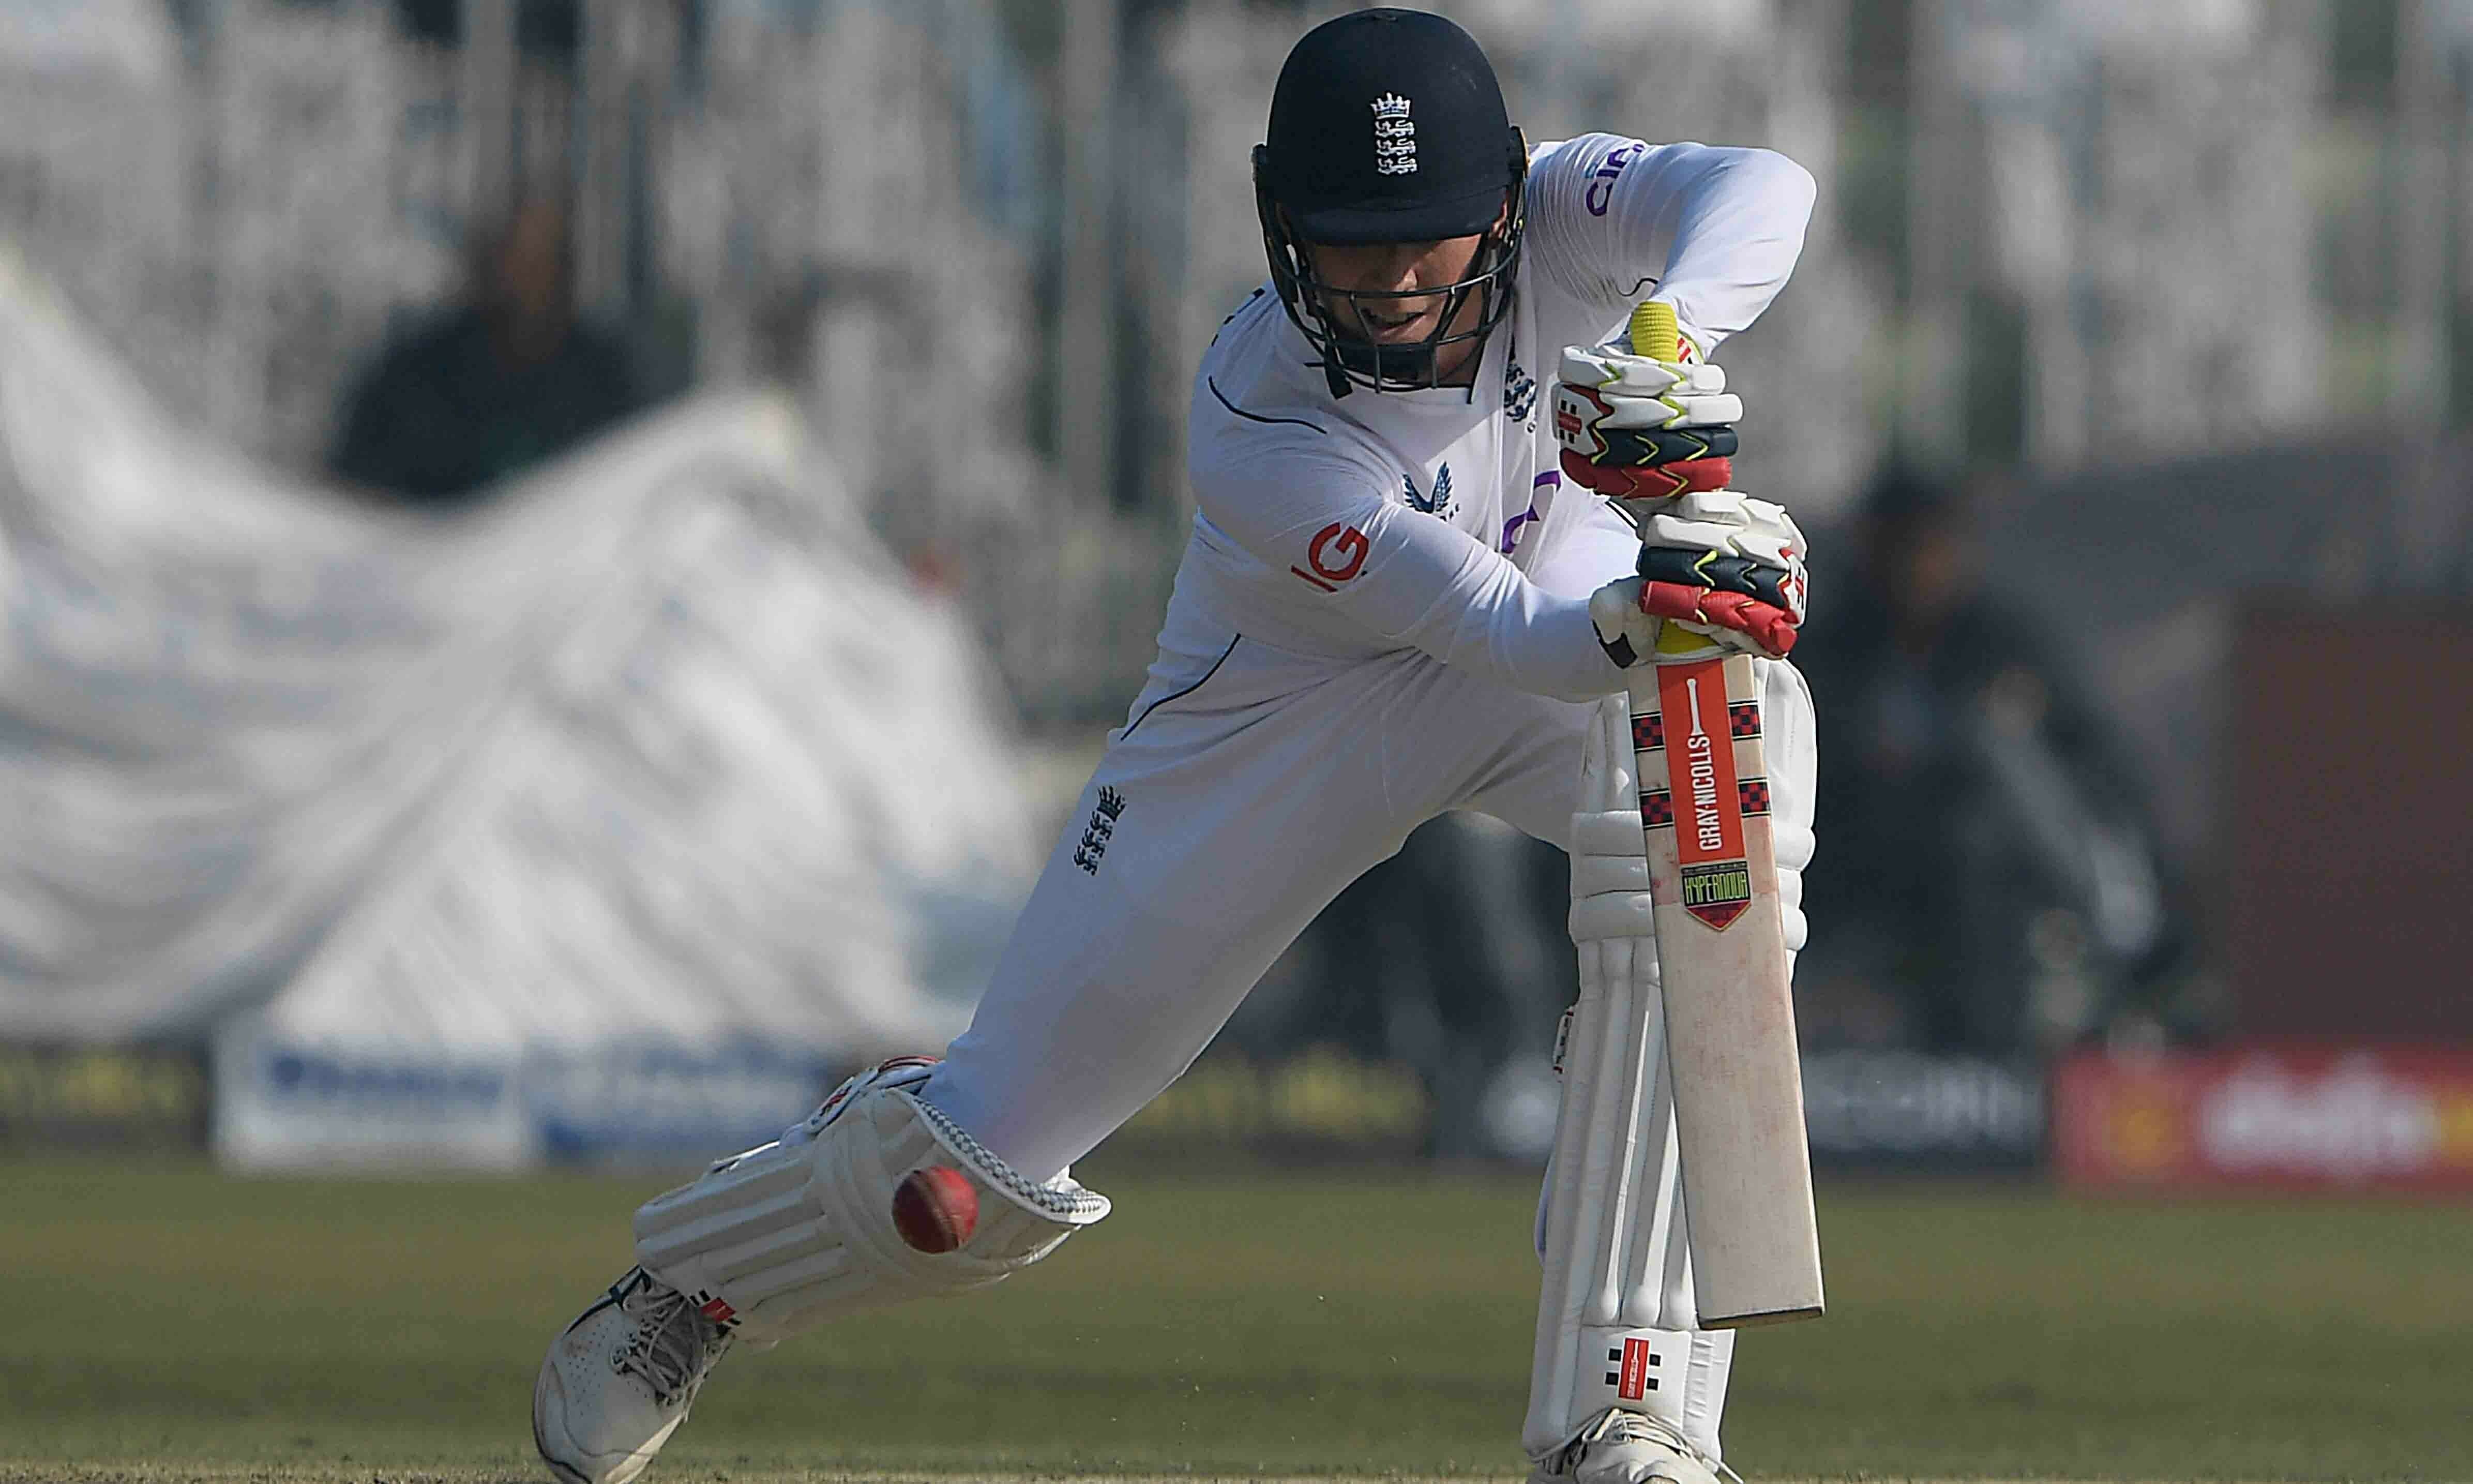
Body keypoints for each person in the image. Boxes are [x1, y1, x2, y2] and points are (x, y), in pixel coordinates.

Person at [530, 11, 1818, 1484]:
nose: (1397, 280)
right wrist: (1650, 602)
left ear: (1509, 206)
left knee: (1724, 786)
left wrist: (1676, 346)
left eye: (1432, 238)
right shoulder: (1255, 418)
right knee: (959, 1174)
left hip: (1539, 639)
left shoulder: (1574, 217)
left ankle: (1627, 1412)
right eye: (1351, 241)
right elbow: (1500, 634)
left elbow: (1764, 186)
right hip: (1282, 718)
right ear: (1283, 229)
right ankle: (693, 1286)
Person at [1800, 467, 2175, 1054]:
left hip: (2002, 878)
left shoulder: (2001, 644)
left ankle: (2105, 957)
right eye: (1906, 549)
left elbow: (2092, 761)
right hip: (1861, 876)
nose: (1922, 568)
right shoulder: (1838, 652)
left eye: (1936, 547)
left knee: (1997, 752)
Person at [326, 190, 645, 506]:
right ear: (488, 265)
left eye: (550, 261)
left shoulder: (601, 380)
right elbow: (355, 499)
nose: (534, 280)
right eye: (520, 260)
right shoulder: (414, 377)